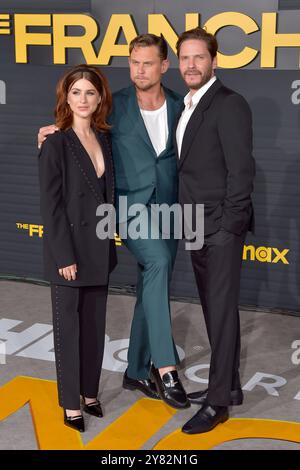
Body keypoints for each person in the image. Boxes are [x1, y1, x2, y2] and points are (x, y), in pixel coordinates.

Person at [38, 34, 189, 410]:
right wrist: (47, 133)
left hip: (168, 208)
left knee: (153, 280)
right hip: (127, 206)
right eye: (134, 63)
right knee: (156, 263)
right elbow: (77, 131)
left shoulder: (180, 104)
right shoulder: (114, 105)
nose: (139, 70)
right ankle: (166, 367)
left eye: (148, 63)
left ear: (163, 66)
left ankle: (136, 370)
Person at [175, 27, 255, 434]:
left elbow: (241, 174)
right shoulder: (186, 105)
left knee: (221, 312)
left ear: (214, 61)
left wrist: (228, 227)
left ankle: (218, 401)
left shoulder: (229, 104)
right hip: (193, 222)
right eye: (185, 58)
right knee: (213, 309)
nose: (191, 65)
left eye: (199, 57)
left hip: (220, 227)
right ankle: (232, 386)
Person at [38, 64, 117, 432]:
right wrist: (63, 255)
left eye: (89, 92)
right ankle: (70, 403)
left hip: (99, 247)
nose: (82, 99)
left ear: (99, 97)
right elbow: (50, 205)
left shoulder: (105, 139)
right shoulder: (55, 142)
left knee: (93, 326)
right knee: (68, 329)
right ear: (65, 98)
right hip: (68, 251)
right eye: (75, 93)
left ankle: (89, 392)